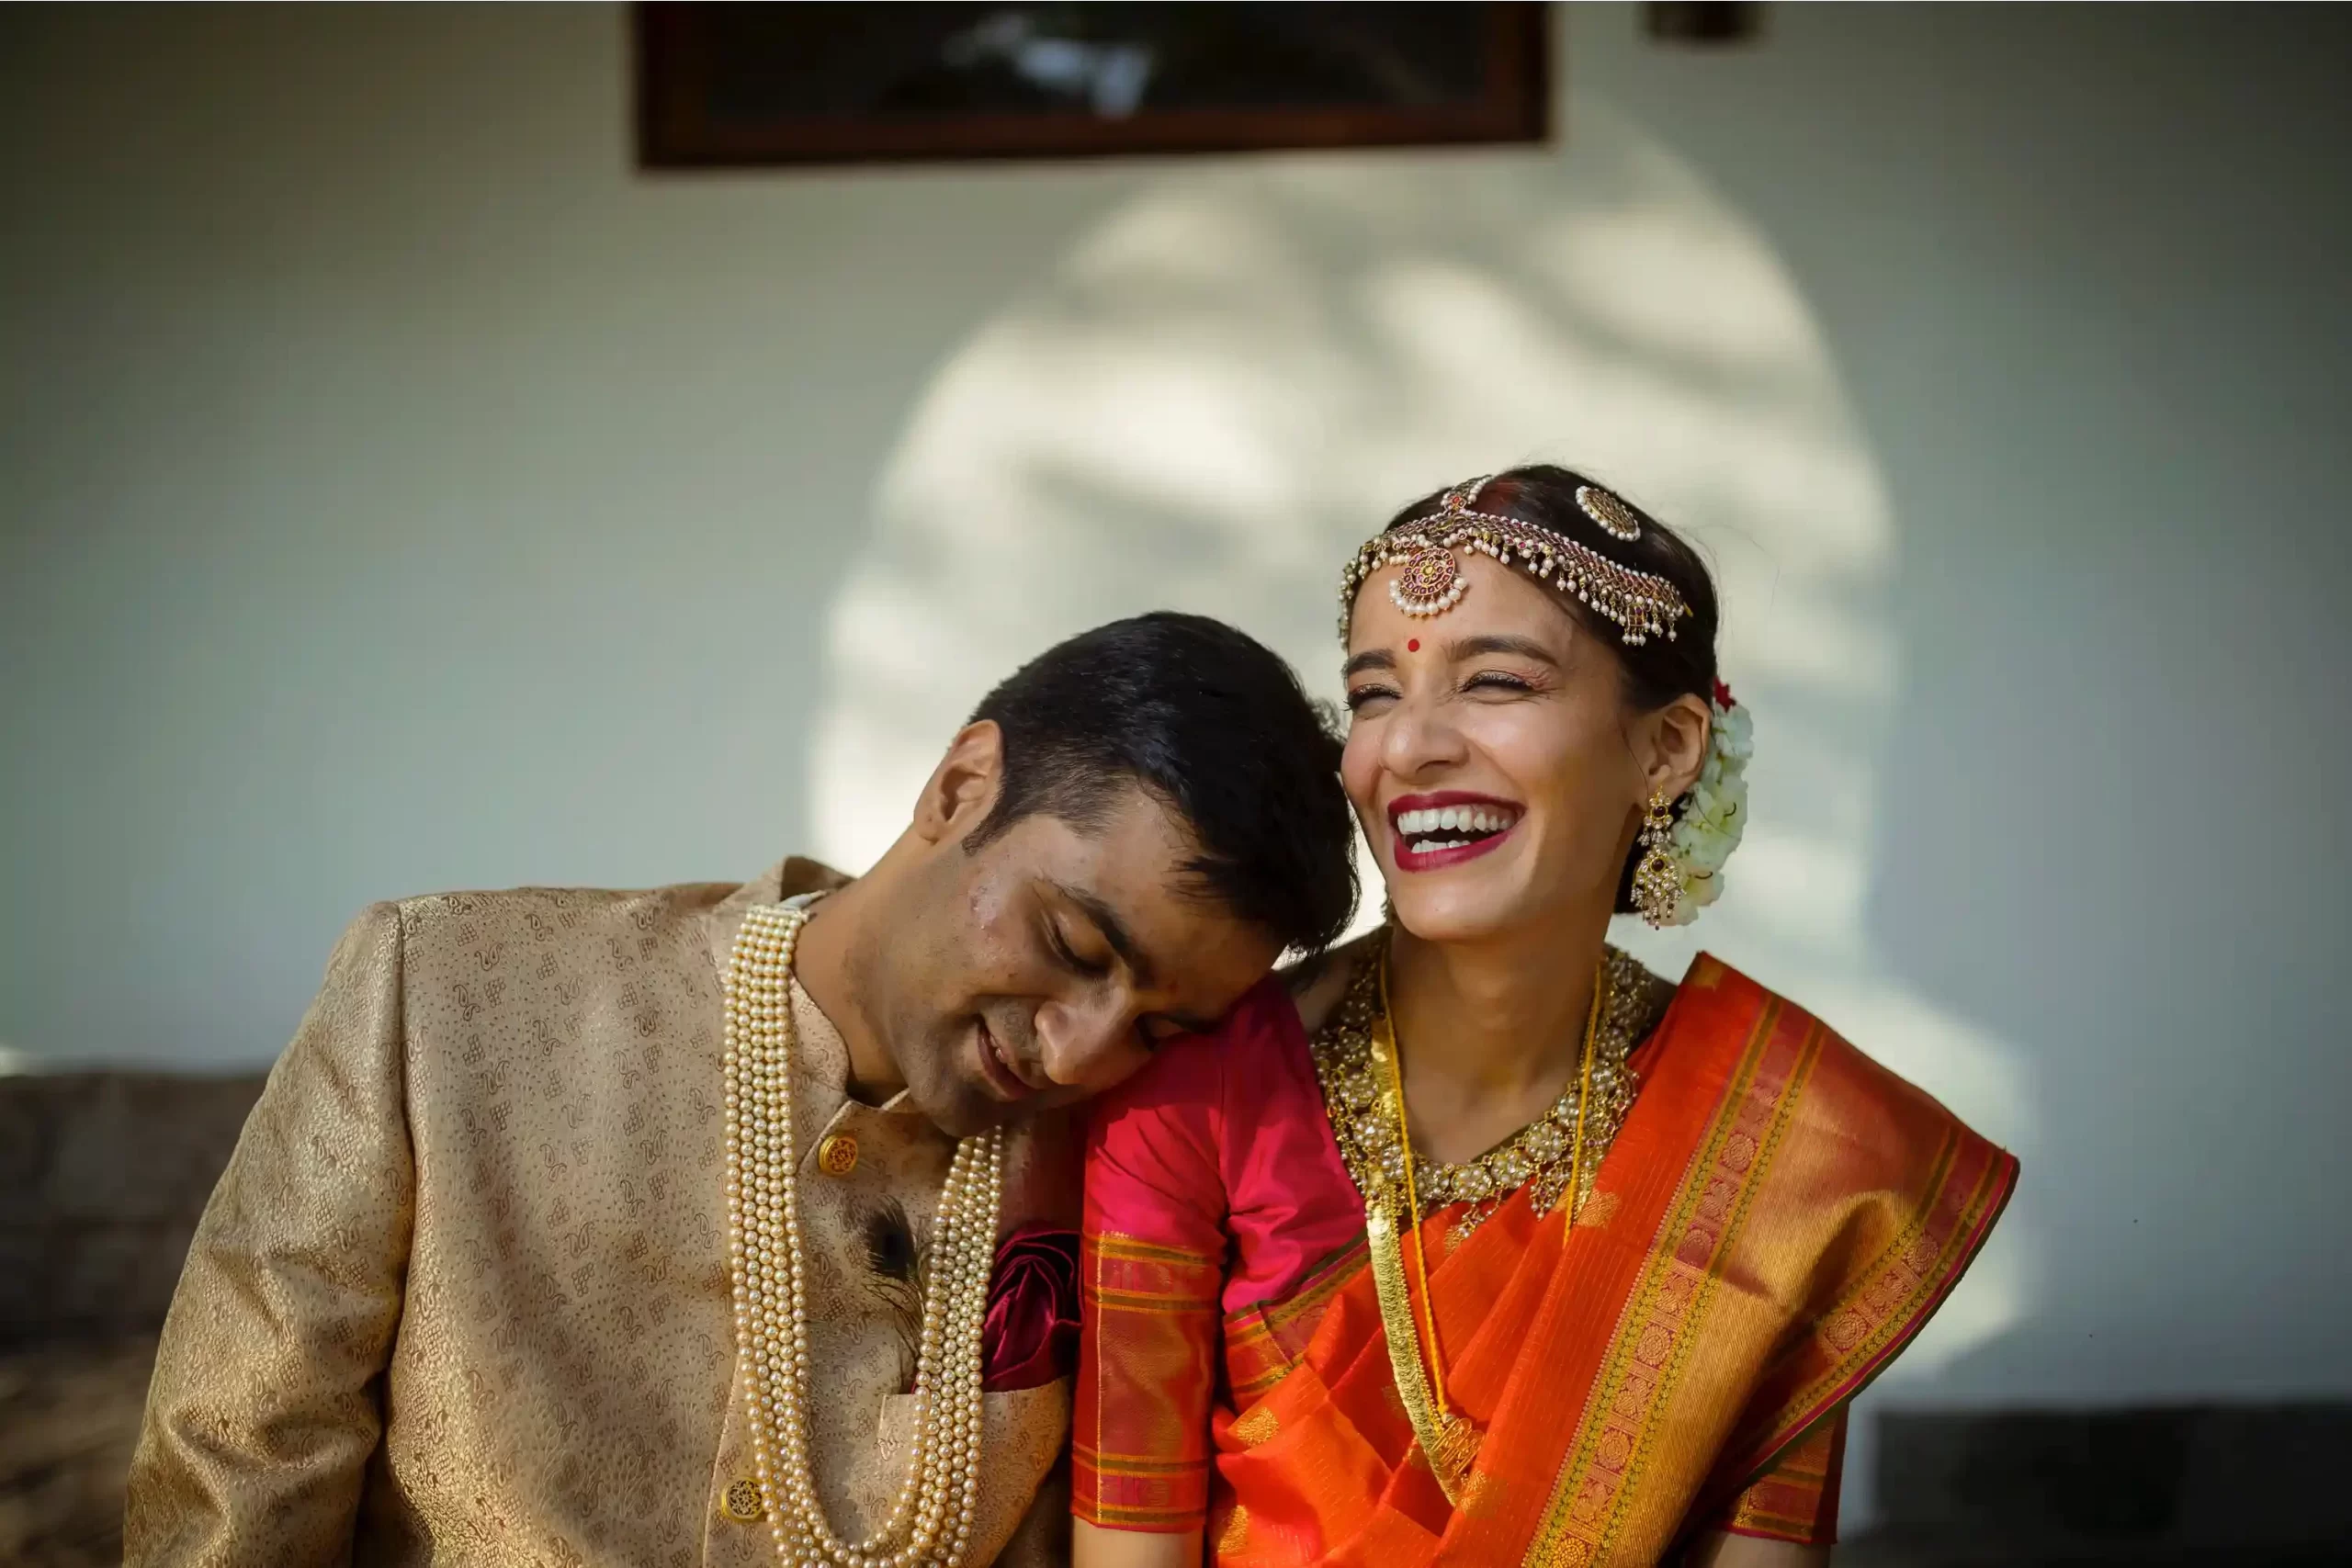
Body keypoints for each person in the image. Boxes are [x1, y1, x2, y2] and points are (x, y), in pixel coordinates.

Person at [125, 611, 1360, 1568]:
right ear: (960, 788)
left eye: (1159, 1022)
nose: (1085, 1048)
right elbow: (236, 1469)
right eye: (1076, 947)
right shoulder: (449, 997)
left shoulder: (1129, 1164)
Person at [1071, 470, 2019, 1567]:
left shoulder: (1777, 1148)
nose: (1410, 748)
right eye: (1375, 694)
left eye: (1498, 683)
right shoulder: (1193, 1095)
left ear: (1665, 750)